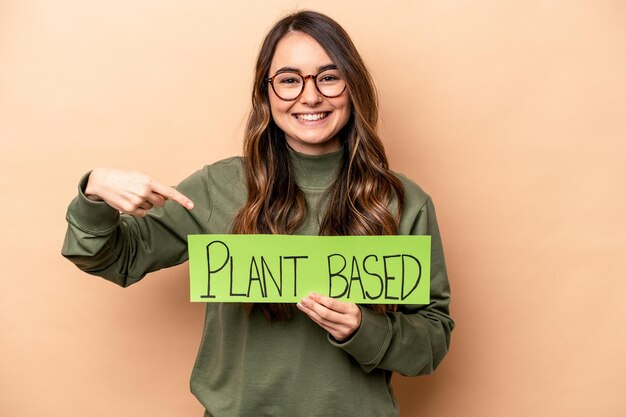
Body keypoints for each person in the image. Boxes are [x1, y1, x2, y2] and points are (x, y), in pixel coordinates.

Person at [62, 10, 454, 417]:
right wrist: (96, 192)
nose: (310, 96)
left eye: (329, 76)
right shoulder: (219, 187)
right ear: (265, 94)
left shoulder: (403, 201)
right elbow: (112, 258)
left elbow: (431, 344)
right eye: (288, 80)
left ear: (351, 86)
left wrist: (362, 329)